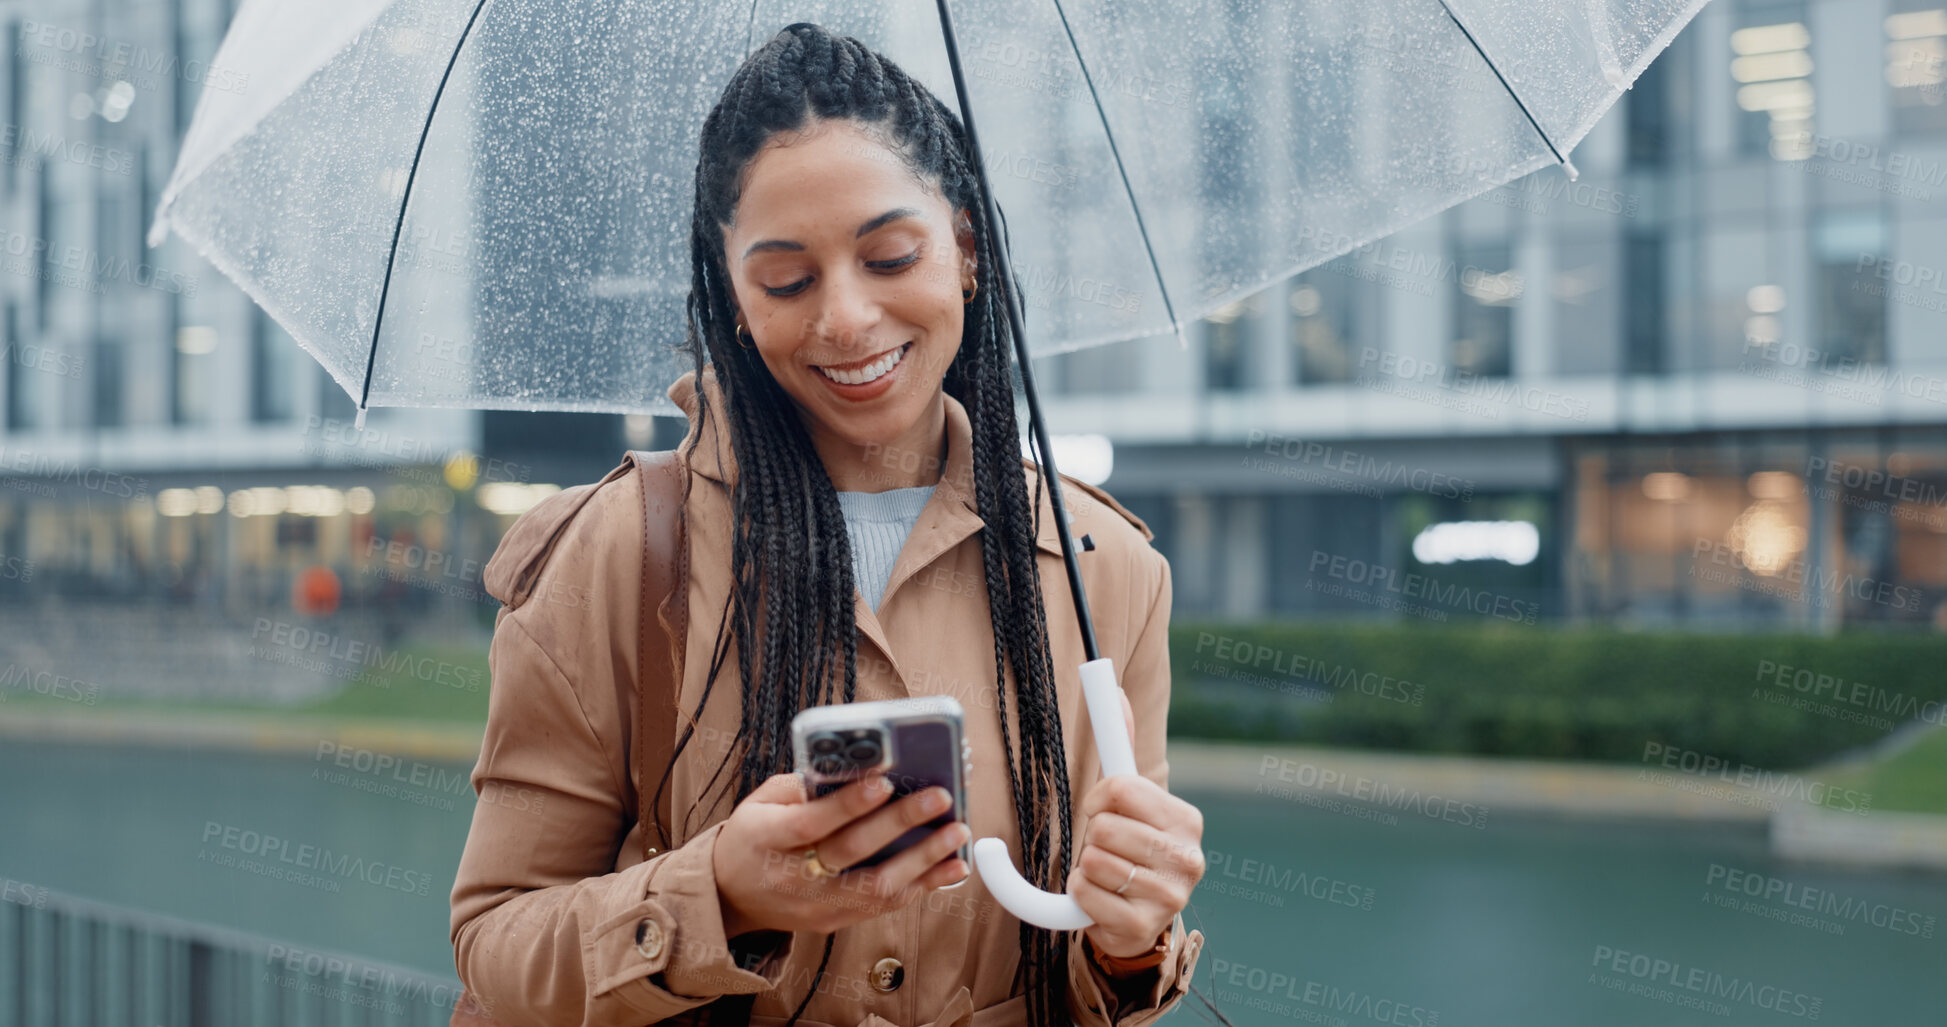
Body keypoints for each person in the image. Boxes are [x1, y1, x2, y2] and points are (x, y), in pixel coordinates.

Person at [449, 22, 1206, 1027]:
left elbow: (1090, 986)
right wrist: (720, 889)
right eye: (786, 281)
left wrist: (1129, 941)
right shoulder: (613, 554)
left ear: (967, 250)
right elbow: (495, 950)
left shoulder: (1104, 572)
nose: (845, 319)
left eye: (891, 255)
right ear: (731, 300)